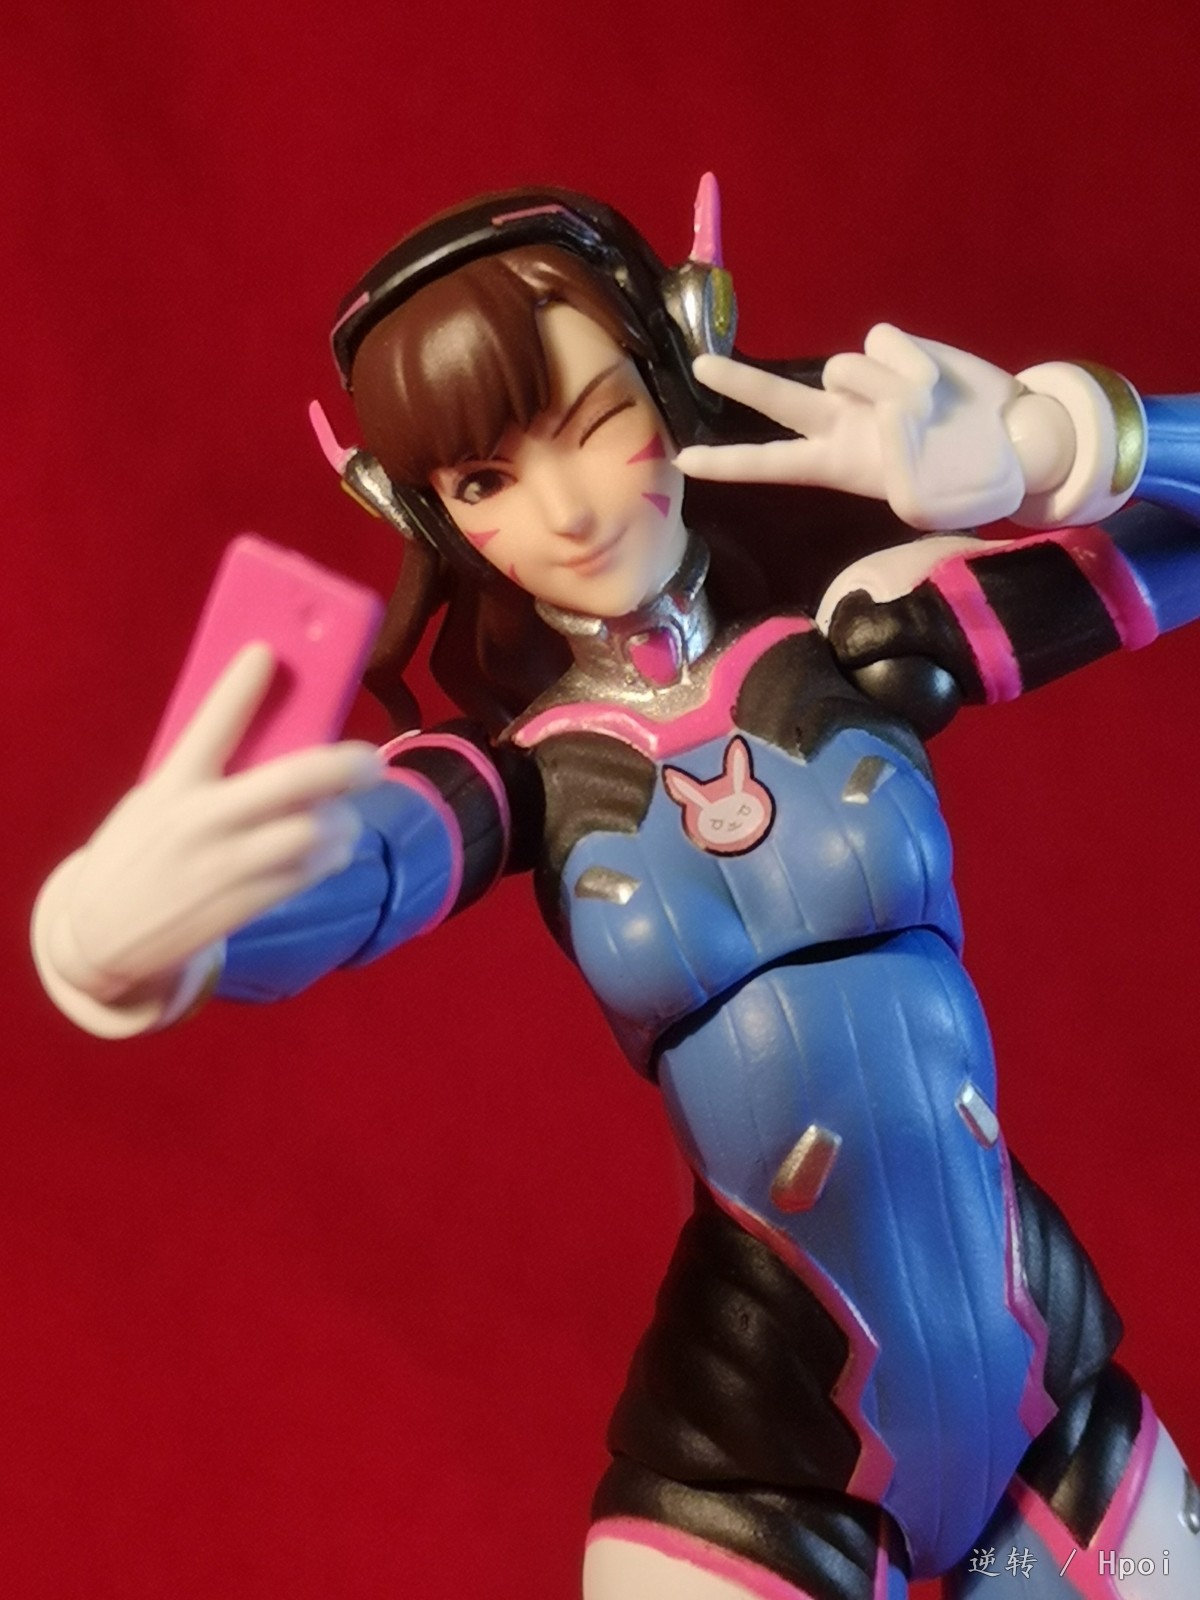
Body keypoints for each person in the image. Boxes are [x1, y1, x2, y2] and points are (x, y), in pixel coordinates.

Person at [31, 180, 1200, 1597]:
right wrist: (110, 940)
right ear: (430, 513)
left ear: (673, 369)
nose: (572, 510)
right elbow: (367, 857)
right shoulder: (517, 774)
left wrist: (1061, 444)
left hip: (1049, 1394)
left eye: (596, 424)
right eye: (486, 482)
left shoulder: (862, 640)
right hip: (763, 1447)